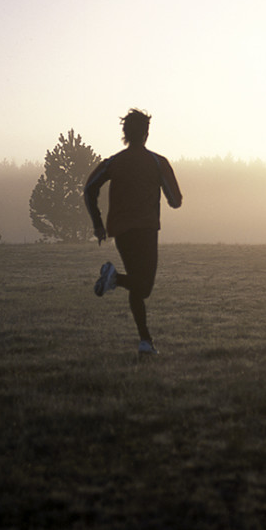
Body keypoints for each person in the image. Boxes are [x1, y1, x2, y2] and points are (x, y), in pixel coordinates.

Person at [84, 109, 182, 355]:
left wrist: (97, 223)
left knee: (138, 284)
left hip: (121, 231)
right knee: (144, 287)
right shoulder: (157, 162)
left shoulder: (113, 162)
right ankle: (115, 279)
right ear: (146, 133)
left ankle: (145, 342)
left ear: (125, 134)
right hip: (147, 229)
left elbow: (89, 189)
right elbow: (175, 200)